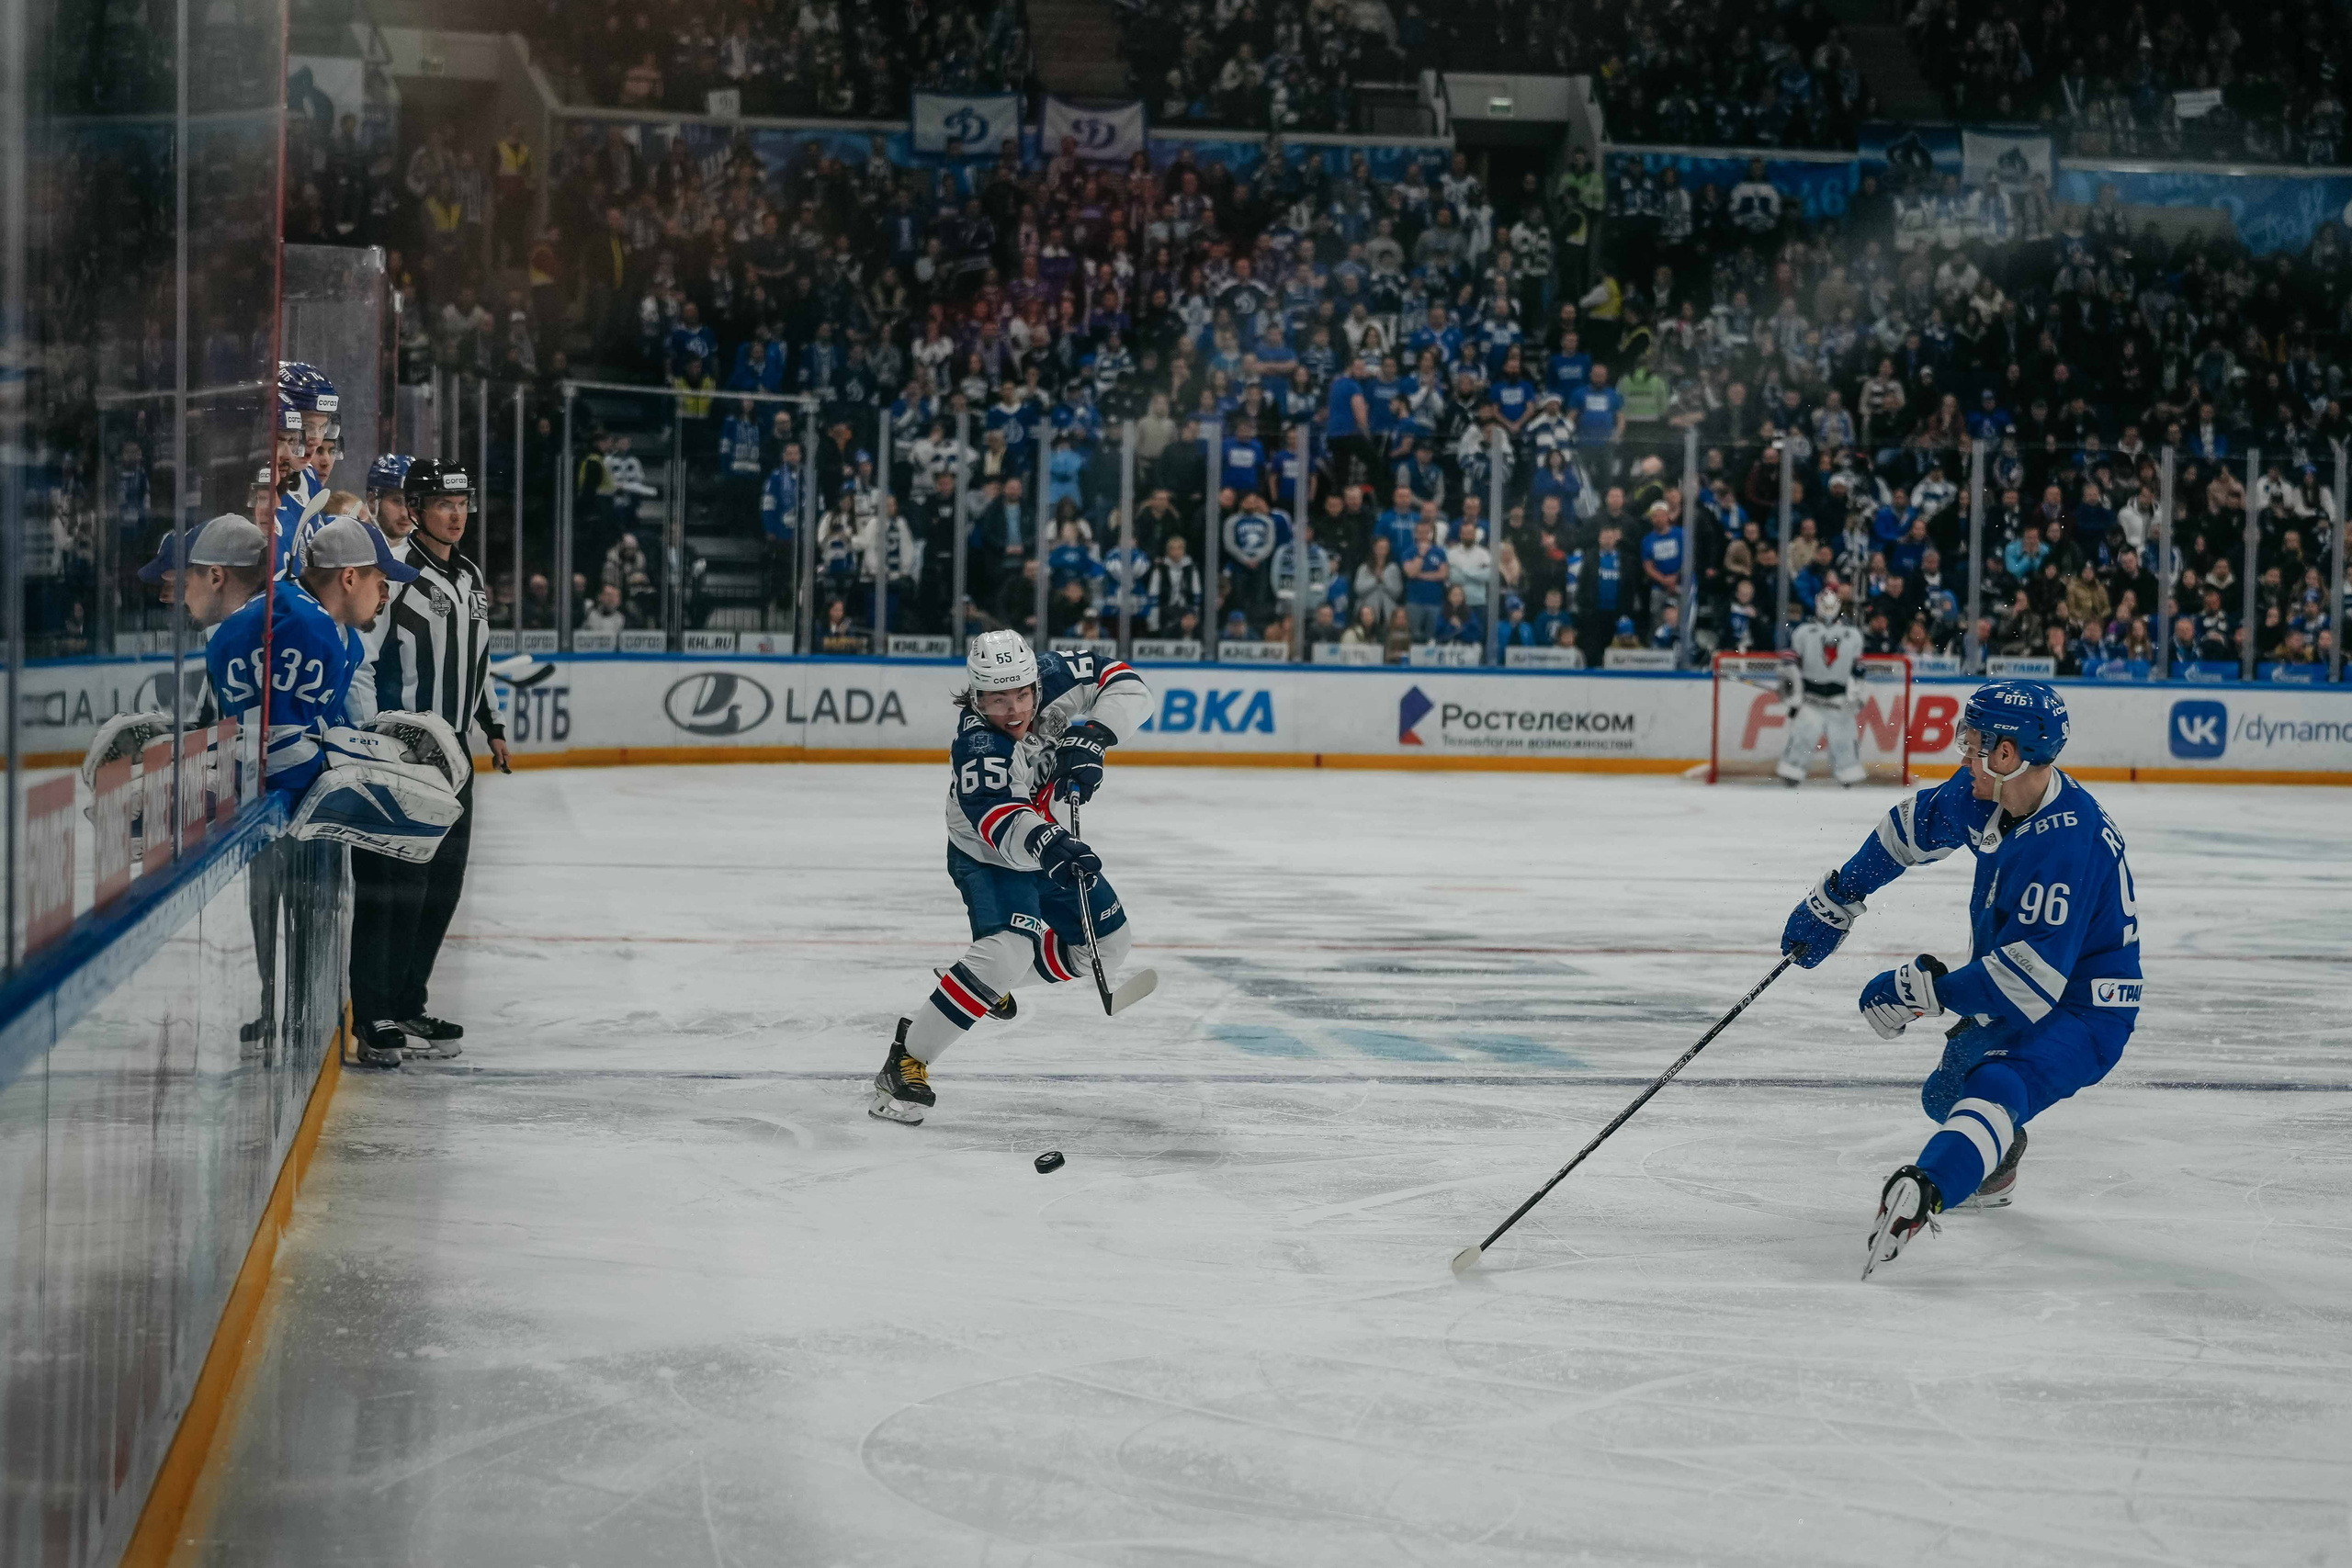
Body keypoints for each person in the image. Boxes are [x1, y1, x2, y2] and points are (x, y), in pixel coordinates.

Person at [1779, 682, 2142, 1279]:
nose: (1965, 756)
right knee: (1944, 1094)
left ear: (2008, 754)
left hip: (2086, 1010)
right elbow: (1911, 828)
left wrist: (1926, 992)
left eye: (1974, 745)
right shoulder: (1989, 794)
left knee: (1997, 1082)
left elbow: (2026, 984)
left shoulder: (2065, 845)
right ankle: (1999, 1150)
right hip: (2027, 983)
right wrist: (1842, 895)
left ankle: (1930, 1186)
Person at [872, 633, 1154, 1124]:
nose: (1016, 709)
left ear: (1034, 682)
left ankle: (979, 984)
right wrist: (1049, 843)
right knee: (1006, 953)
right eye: (998, 700)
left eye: (1023, 694)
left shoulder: (1052, 675)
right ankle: (907, 1058)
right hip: (988, 854)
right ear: (976, 698)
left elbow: (1125, 682)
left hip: (1044, 838)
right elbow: (998, 816)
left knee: (1107, 945)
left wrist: (1095, 735)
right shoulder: (978, 745)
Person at [354, 458, 511, 1066]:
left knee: (441, 887)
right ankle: (373, 1013)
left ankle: (407, 1001)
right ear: (416, 509)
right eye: (445, 504)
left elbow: (479, 660)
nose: (457, 514)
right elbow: (363, 661)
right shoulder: (393, 572)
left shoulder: (469, 576)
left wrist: (492, 726)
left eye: (463, 503)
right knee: (392, 890)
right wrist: (375, 737)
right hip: (402, 758)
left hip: (455, 761)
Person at [1778, 589, 1867, 787]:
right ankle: (1792, 773)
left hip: (1839, 699)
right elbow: (1790, 665)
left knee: (1844, 739)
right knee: (1803, 736)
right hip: (1810, 697)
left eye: (1831, 606)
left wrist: (1855, 694)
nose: (1827, 610)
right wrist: (1793, 690)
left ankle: (1848, 775)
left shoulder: (1852, 635)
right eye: (1824, 606)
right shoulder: (1803, 632)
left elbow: (1858, 670)